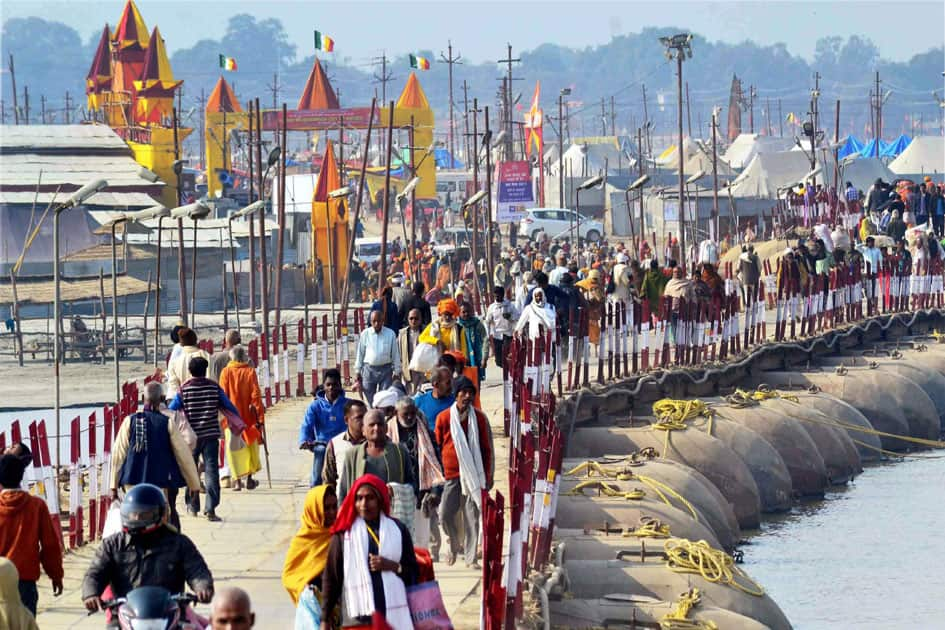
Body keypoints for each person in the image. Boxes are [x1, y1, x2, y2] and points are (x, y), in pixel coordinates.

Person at [82, 484, 214, 615]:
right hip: (126, 614)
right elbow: (95, 573)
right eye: (133, 514)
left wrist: (202, 587)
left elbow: (197, 569)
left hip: (169, 613)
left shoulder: (178, 543)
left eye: (144, 514)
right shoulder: (113, 545)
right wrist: (91, 594)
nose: (137, 518)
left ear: (161, 514)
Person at [320, 474, 419, 630]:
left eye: (370, 498)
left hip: (393, 618)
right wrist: (325, 619)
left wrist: (392, 566)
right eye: (359, 498)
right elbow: (331, 578)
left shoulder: (398, 530)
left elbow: (413, 572)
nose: (364, 504)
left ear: (380, 500)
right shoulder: (343, 535)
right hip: (358, 620)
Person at [110, 381, 200, 530]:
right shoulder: (166, 423)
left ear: (142, 398)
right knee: (160, 522)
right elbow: (184, 456)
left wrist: (113, 486)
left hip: (132, 483)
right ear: (162, 398)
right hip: (159, 484)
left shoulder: (129, 421)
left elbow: (117, 455)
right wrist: (194, 484)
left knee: (133, 519)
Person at [167, 357, 244, 522]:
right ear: (205, 370)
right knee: (211, 472)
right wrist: (237, 419)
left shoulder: (184, 389)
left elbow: (172, 409)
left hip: (191, 439)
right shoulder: (213, 387)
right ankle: (210, 509)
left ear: (190, 371)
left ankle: (192, 506)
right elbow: (228, 406)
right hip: (210, 436)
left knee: (191, 471)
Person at [435, 377, 493, 568]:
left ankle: (471, 558)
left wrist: (488, 476)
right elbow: (438, 443)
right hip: (451, 475)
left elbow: (486, 449)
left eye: (471, 393)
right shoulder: (444, 417)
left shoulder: (479, 419)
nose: (467, 396)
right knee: (444, 513)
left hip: (474, 477)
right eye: (464, 392)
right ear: (456, 394)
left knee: (472, 518)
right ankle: (453, 543)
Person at [0, 454, 63, 616]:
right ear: (21, 475)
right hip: (25, 583)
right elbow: (50, 546)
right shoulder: (37, 506)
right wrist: (56, 575)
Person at [389, 397, 445, 558]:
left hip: (421, 493)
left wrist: (435, 491)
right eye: (405, 414)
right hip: (396, 495)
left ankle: (421, 575)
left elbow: (436, 463)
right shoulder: (386, 433)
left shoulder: (425, 432)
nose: (409, 417)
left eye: (412, 414)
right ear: (396, 413)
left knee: (421, 540)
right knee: (398, 539)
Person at [282, 486, 338, 628]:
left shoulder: (341, 536)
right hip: (312, 606)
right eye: (326, 508)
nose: (332, 512)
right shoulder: (303, 540)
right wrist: (304, 587)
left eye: (334, 507)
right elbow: (289, 577)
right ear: (314, 510)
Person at [338, 409, 416, 507]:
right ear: (363, 430)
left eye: (380, 424)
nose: (376, 428)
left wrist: (397, 490)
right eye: (371, 425)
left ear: (386, 428)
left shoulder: (400, 451)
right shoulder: (353, 455)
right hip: (361, 513)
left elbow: (411, 483)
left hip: (391, 514)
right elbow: (344, 491)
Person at [219, 345, 265, 492]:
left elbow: (222, 395)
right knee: (251, 447)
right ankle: (249, 478)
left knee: (232, 449)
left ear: (231, 358)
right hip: (249, 418)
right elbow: (256, 397)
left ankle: (237, 480)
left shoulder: (226, 372)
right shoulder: (250, 372)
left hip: (231, 419)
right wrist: (260, 419)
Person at [300, 368, 348, 487]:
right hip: (323, 443)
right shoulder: (315, 406)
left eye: (335, 384)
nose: (331, 388)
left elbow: (358, 420)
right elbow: (307, 424)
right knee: (320, 453)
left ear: (340, 386)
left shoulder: (348, 404)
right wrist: (305, 440)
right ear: (324, 386)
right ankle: (315, 487)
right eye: (328, 385)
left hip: (343, 442)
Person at [354, 310, 401, 407]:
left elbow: (395, 354)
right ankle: (373, 414)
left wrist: (397, 371)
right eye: (374, 321)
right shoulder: (365, 334)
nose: (376, 323)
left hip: (386, 370)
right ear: (370, 322)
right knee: (370, 399)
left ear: (382, 321)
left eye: (379, 321)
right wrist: (357, 371)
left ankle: (381, 417)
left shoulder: (390, 334)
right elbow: (360, 353)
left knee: (383, 399)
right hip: (368, 370)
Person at [322, 400, 368, 489]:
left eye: (365, 417)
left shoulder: (375, 442)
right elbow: (328, 479)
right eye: (359, 417)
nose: (364, 421)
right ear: (346, 420)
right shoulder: (335, 444)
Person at [166, 328, 210, 398]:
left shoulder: (174, 363)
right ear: (195, 341)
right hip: (206, 399)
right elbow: (211, 377)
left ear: (181, 343)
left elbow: (174, 387)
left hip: (185, 402)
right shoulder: (206, 356)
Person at [484, 285, 518, 368]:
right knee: (498, 361)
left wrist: (510, 317)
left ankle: (508, 375)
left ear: (503, 295)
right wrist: (487, 335)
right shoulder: (492, 307)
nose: (497, 297)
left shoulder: (510, 305)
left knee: (508, 356)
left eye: (499, 295)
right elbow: (487, 321)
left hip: (508, 334)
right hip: (497, 335)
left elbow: (517, 317)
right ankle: (505, 369)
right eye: (495, 295)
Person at [414, 367, 455, 433]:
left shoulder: (455, 402)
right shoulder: (419, 402)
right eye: (448, 383)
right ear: (435, 384)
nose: (451, 386)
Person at [458, 301, 488, 382]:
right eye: (463, 312)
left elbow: (485, 339)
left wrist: (484, 358)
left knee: (475, 385)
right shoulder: (456, 326)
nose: (466, 314)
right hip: (462, 361)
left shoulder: (477, 324)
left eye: (468, 311)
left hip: (476, 359)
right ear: (459, 313)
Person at [398, 308, 426, 394]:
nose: (413, 321)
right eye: (411, 318)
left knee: (420, 394)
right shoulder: (402, 333)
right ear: (408, 319)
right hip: (408, 370)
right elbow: (398, 352)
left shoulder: (426, 332)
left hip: (422, 370)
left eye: (416, 318)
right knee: (409, 395)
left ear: (420, 319)